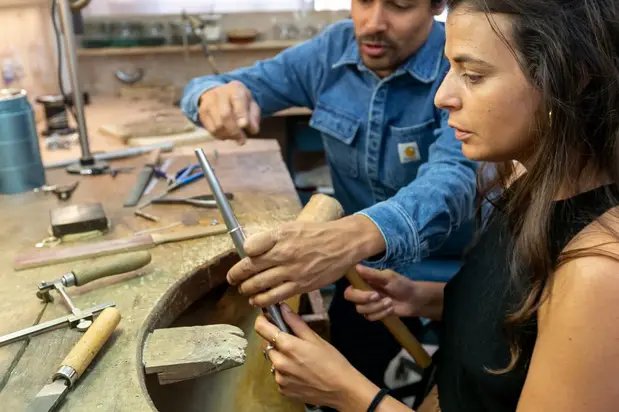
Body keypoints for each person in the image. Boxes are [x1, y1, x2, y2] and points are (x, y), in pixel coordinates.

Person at [251, 0, 619, 410]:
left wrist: (349, 393)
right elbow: (530, 317)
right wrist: (425, 297)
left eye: (473, 76)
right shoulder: (526, 180)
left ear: (571, 79)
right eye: (449, 69)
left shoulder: (599, 273)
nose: (442, 97)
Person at [181, 0, 478, 398]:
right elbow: (222, 85)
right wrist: (213, 97)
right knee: (344, 376)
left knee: (454, 391)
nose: (373, 23)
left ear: (437, 6)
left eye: (400, 5)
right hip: (361, 279)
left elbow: (455, 178)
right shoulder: (331, 52)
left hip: (452, 282)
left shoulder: (458, 62)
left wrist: (353, 236)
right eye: (363, 1)